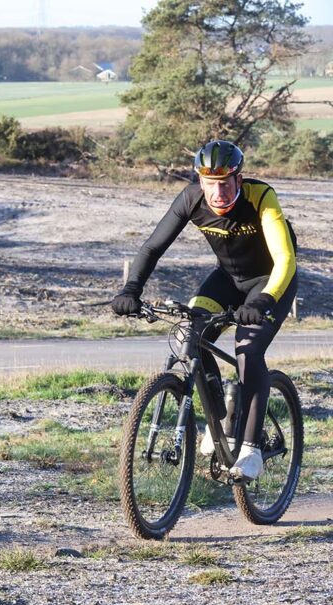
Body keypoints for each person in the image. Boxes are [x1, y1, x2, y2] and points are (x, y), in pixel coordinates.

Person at [111, 140, 297, 482]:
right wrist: (131, 290)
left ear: (238, 180)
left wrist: (263, 301)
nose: (218, 192)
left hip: (270, 283)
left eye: (225, 183)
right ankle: (219, 419)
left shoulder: (261, 197)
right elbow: (152, 247)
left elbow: (285, 260)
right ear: (200, 180)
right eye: (209, 183)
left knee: (247, 350)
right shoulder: (190, 198)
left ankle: (251, 451)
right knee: (188, 334)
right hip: (227, 280)